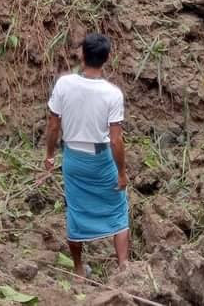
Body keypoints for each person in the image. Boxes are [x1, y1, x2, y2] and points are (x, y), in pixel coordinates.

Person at [44, 31, 129, 276]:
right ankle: (124, 267)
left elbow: (53, 125)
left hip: (73, 159)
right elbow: (115, 140)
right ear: (107, 58)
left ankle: (80, 270)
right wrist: (121, 173)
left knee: (76, 211)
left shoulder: (64, 83)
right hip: (101, 160)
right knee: (118, 209)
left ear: (81, 55)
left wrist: (50, 155)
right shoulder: (112, 93)